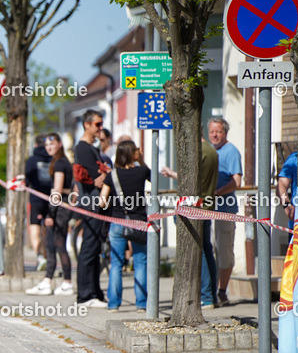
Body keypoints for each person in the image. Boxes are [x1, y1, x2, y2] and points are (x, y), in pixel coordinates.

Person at [161, 137, 219, 308]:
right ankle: (212, 297)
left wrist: (172, 174)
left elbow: (190, 179)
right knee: (207, 250)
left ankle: (207, 297)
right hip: (206, 206)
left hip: (194, 207)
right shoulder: (211, 150)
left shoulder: (197, 151)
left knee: (199, 251)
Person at [98, 140, 149, 311]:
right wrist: (141, 160)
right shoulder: (142, 171)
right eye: (136, 150)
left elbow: (102, 202)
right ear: (132, 153)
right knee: (140, 262)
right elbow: (153, 179)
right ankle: (141, 303)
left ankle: (113, 304)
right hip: (138, 222)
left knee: (117, 263)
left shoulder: (112, 175)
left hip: (118, 222)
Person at [26, 133, 74, 296]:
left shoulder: (60, 163)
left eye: (52, 144)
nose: (49, 148)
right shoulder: (60, 161)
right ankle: (48, 280)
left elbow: (57, 191)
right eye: (46, 145)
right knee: (51, 245)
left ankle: (67, 282)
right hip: (61, 207)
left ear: (60, 144)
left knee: (58, 245)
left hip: (59, 210)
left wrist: (50, 215)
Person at [72, 110, 110, 307]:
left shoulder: (93, 148)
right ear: (87, 125)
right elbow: (95, 179)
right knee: (89, 247)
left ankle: (95, 293)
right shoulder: (83, 148)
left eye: (101, 124)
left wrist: (105, 175)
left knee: (96, 247)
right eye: (97, 124)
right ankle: (85, 295)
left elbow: (104, 175)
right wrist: (105, 175)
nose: (100, 128)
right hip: (90, 202)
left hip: (97, 203)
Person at [207, 117, 242, 306]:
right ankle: (209, 291)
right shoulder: (208, 151)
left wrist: (216, 193)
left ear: (225, 133)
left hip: (225, 209)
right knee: (208, 250)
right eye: (212, 131)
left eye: (218, 131)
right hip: (207, 210)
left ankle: (222, 291)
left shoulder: (231, 151)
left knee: (224, 251)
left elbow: (236, 182)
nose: (214, 135)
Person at [23, 135, 51, 272]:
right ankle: (48, 255)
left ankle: (40, 257)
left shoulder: (31, 161)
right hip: (52, 200)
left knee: (35, 230)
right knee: (48, 230)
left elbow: (26, 181)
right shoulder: (53, 159)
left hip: (35, 200)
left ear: (35, 145)